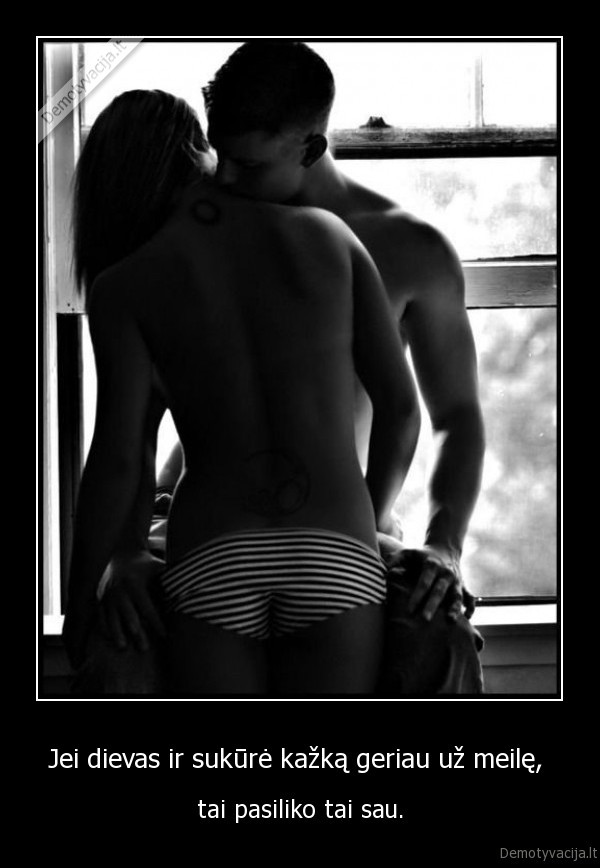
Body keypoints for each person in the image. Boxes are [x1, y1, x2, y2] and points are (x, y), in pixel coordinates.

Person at [94, 41, 486, 695]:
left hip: (353, 524)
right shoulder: (199, 229)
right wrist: (125, 548)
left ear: (310, 148)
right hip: (211, 522)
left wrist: (442, 543)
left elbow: (456, 417)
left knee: (438, 635)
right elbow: (129, 429)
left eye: (245, 165)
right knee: (120, 645)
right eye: (217, 156)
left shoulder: (408, 247)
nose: (222, 179)